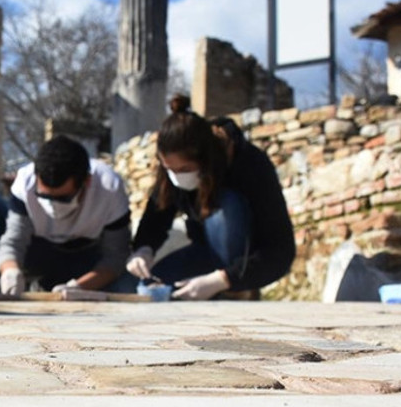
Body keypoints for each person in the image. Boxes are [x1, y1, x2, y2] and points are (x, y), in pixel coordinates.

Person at [126, 95, 295, 300]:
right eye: (170, 169)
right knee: (152, 286)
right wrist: (143, 249)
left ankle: (237, 292)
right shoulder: (171, 173)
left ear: (207, 159)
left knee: (225, 207)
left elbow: (280, 251)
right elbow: (156, 216)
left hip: (244, 263)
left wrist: (223, 280)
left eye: (186, 169)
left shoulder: (251, 165)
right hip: (203, 254)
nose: (177, 177)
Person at [0, 135, 135, 296]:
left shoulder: (109, 187)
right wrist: (10, 270)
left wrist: (80, 287)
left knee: (129, 287)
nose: (52, 205)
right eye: (44, 196)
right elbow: (13, 241)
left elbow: (115, 257)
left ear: (86, 182)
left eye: (63, 198)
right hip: (37, 253)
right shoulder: (25, 183)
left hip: (85, 259)